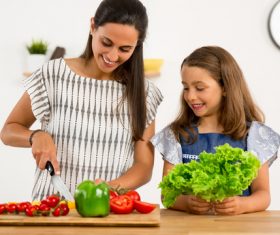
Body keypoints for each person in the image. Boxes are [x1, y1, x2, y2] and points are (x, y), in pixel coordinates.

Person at [0, 0, 163, 201]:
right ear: (93, 26)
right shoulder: (53, 74)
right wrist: (36, 136)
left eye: (125, 49)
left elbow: (144, 166)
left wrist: (105, 189)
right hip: (51, 211)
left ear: (137, 45)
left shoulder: (144, 93)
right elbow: (8, 131)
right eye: (107, 42)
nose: (112, 56)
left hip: (108, 212)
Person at [151, 46, 280, 215]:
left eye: (199, 88)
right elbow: (167, 194)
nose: (190, 96)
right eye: (186, 87)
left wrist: (242, 205)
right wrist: (186, 203)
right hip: (190, 229)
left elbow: (263, 195)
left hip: (237, 229)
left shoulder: (253, 135)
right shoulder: (176, 134)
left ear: (225, 88)